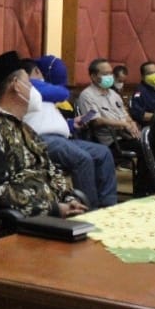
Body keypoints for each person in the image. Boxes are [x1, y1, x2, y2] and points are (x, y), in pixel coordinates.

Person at [0, 51, 88, 218]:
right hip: (15, 224)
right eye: (29, 83)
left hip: (48, 217)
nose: (32, 90)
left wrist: (68, 198)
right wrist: (54, 209)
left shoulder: (24, 128)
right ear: (16, 85)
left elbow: (50, 171)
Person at [20, 61, 118, 210]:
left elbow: (49, 120)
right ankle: (88, 209)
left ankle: (109, 204)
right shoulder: (28, 88)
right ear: (35, 72)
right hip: (40, 140)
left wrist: (71, 124)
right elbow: (62, 93)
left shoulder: (44, 96)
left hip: (62, 138)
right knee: (82, 158)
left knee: (103, 153)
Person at [76, 58, 141, 153]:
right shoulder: (87, 95)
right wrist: (123, 124)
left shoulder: (114, 94)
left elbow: (124, 114)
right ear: (93, 76)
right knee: (144, 148)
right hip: (110, 141)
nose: (110, 77)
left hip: (126, 135)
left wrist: (131, 123)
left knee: (152, 141)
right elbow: (96, 121)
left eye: (110, 73)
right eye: (105, 74)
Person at [129, 61, 155, 126]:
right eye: (150, 73)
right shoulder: (139, 93)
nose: (154, 75)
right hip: (151, 126)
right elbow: (138, 114)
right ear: (143, 77)